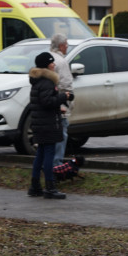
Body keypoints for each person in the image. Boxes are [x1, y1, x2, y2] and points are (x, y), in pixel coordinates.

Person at [28, 52, 71, 200]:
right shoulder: (47, 81)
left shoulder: (37, 80)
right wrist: (63, 97)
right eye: (51, 63)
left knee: (40, 154)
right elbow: (47, 101)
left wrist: (58, 107)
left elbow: (42, 102)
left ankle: (35, 186)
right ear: (46, 65)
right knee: (48, 154)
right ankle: (50, 187)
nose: (54, 65)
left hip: (40, 122)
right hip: (48, 123)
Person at [49, 33, 73, 165]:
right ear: (62, 45)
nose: (67, 46)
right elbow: (65, 84)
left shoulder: (49, 58)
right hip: (60, 104)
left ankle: (49, 163)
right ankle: (57, 164)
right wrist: (67, 102)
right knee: (61, 134)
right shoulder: (61, 62)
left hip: (50, 103)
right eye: (66, 44)